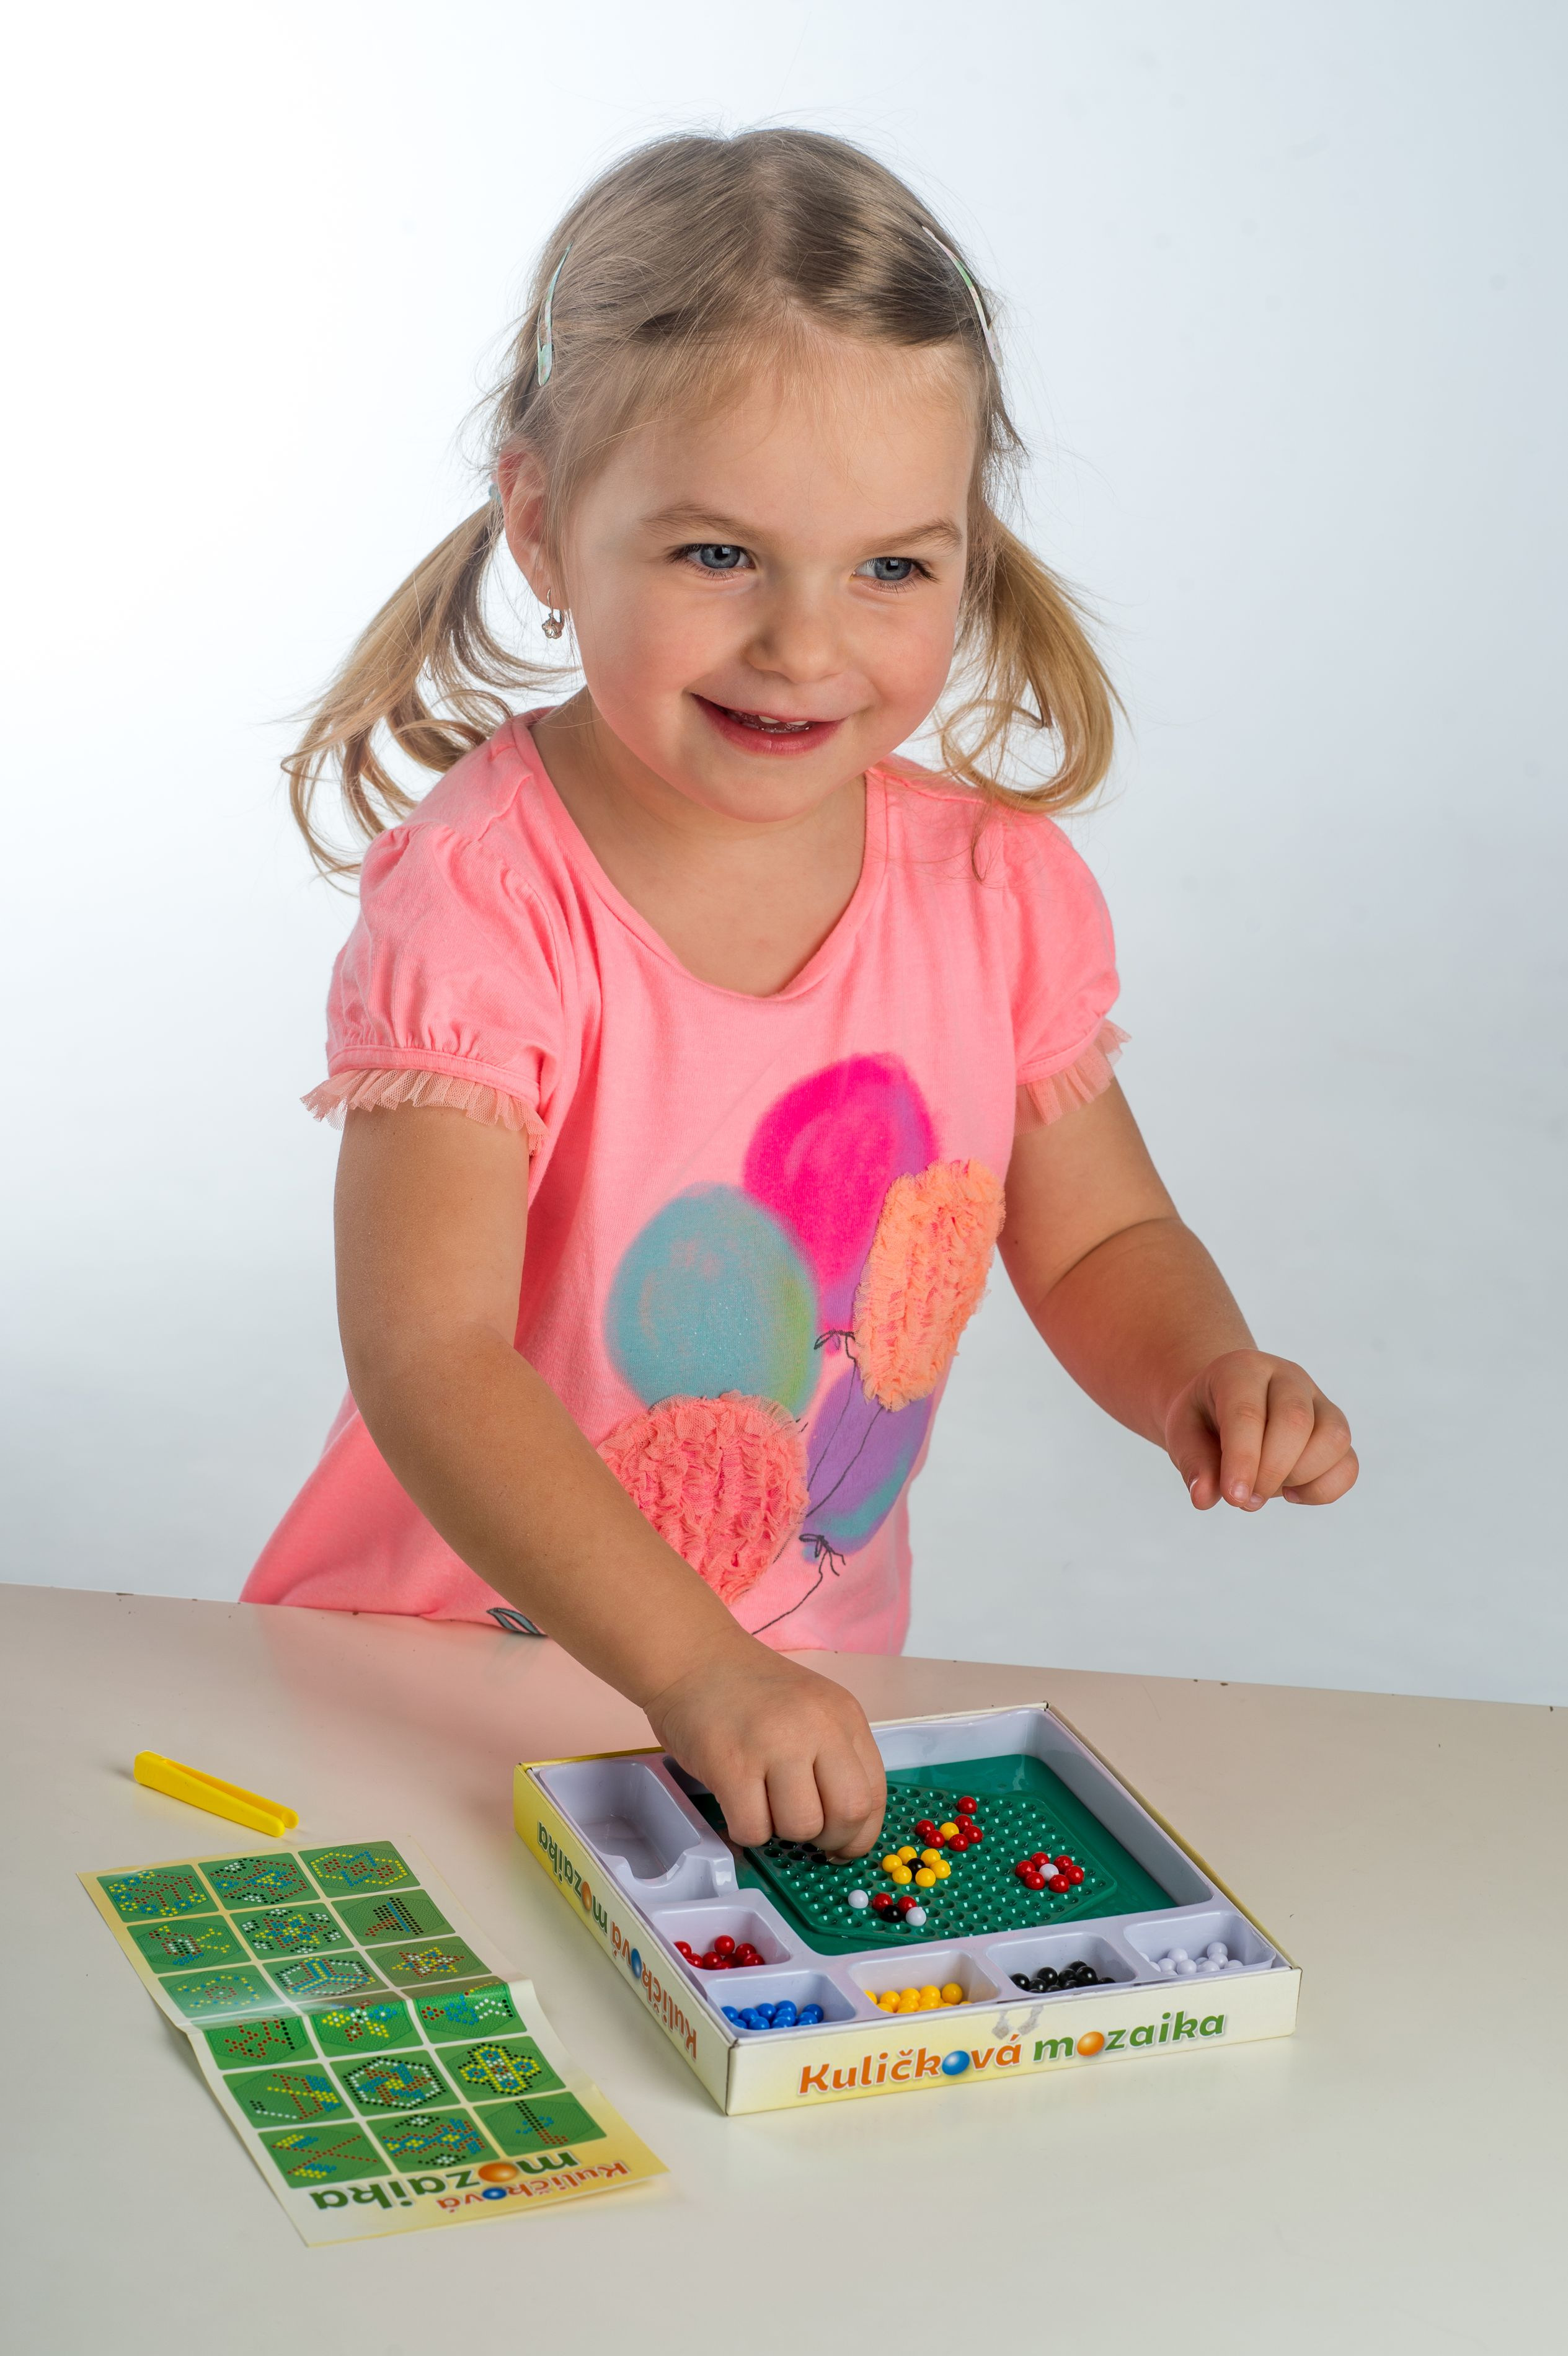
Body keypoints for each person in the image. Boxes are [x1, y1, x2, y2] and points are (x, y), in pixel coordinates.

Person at [243, 128, 1357, 1859]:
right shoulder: (487, 898)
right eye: (716, 555)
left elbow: (1097, 1237)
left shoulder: (988, 893)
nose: (804, 644)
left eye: (891, 568)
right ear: (542, 522)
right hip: (424, 1690)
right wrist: (697, 1668)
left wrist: (1201, 1367)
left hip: (788, 1708)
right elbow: (427, 1351)